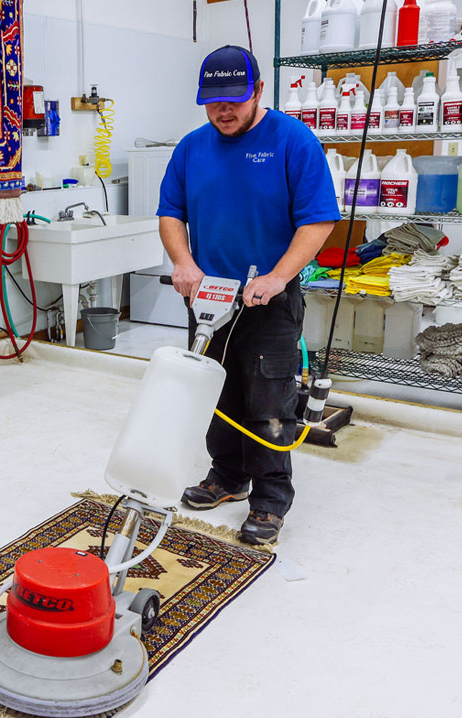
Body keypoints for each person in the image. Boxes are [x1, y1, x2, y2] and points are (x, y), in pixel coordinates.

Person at [156, 45, 340, 545]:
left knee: (268, 399)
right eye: (214, 102)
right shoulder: (192, 147)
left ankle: (270, 500)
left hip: (268, 298)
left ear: (259, 90)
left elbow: (318, 218)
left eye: (235, 100)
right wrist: (184, 261)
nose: (224, 111)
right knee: (217, 391)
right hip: (208, 298)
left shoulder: (293, 141)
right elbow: (171, 212)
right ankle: (228, 476)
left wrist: (280, 275)